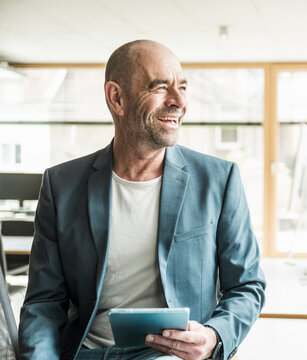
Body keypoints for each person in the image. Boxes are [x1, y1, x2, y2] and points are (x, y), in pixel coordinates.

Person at [18, 40, 266, 360]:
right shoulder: (61, 185)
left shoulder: (219, 180)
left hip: (171, 356)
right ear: (116, 98)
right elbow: (43, 303)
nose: (178, 101)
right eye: (160, 87)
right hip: (87, 352)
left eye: (183, 87)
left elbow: (247, 286)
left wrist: (214, 335)